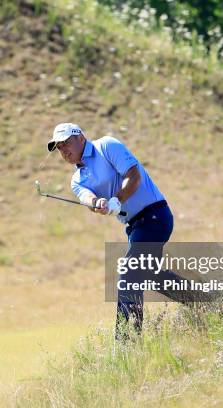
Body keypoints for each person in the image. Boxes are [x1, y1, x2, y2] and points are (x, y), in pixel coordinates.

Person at [47, 122, 193, 339]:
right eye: (59, 147)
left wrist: (118, 199)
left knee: (130, 270)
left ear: (80, 138)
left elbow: (133, 175)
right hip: (135, 228)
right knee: (151, 275)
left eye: (67, 142)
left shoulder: (106, 146)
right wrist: (97, 203)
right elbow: (87, 197)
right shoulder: (77, 180)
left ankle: (127, 344)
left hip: (155, 215)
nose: (64, 150)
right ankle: (214, 304)